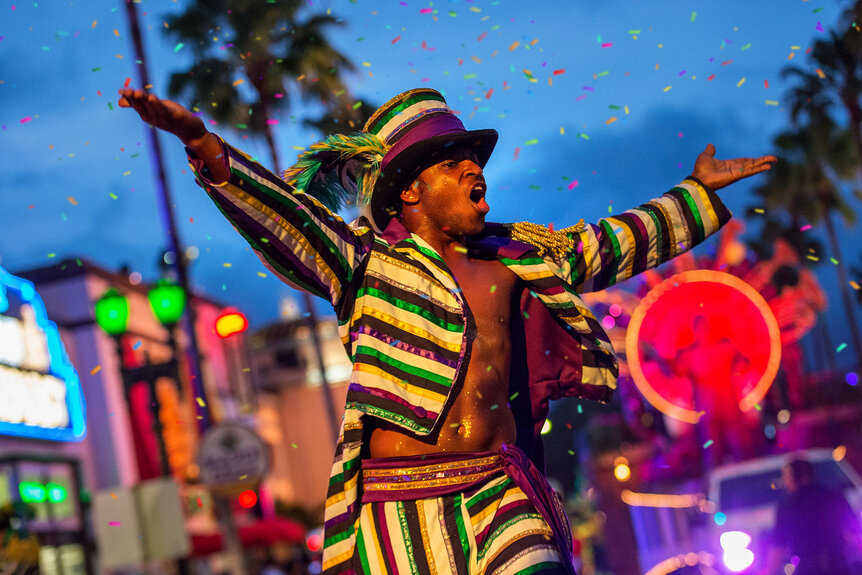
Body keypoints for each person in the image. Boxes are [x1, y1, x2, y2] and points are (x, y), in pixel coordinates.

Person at [118, 86, 775, 574]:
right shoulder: (365, 262)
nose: (471, 166)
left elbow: (610, 245)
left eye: (472, 156)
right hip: (394, 509)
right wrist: (203, 144)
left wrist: (697, 195)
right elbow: (287, 216)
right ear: (409, 191)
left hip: (498, 486)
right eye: (451, 158)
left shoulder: (522, 253)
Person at [763, 457, 862, 575]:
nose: (785, 482)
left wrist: (770, 571)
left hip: (808, 567)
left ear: (802, 477)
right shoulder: (833, 497)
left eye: (787, 477)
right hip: (838, 564)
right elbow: (854, 533)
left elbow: (779, 545)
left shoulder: (788, 506)